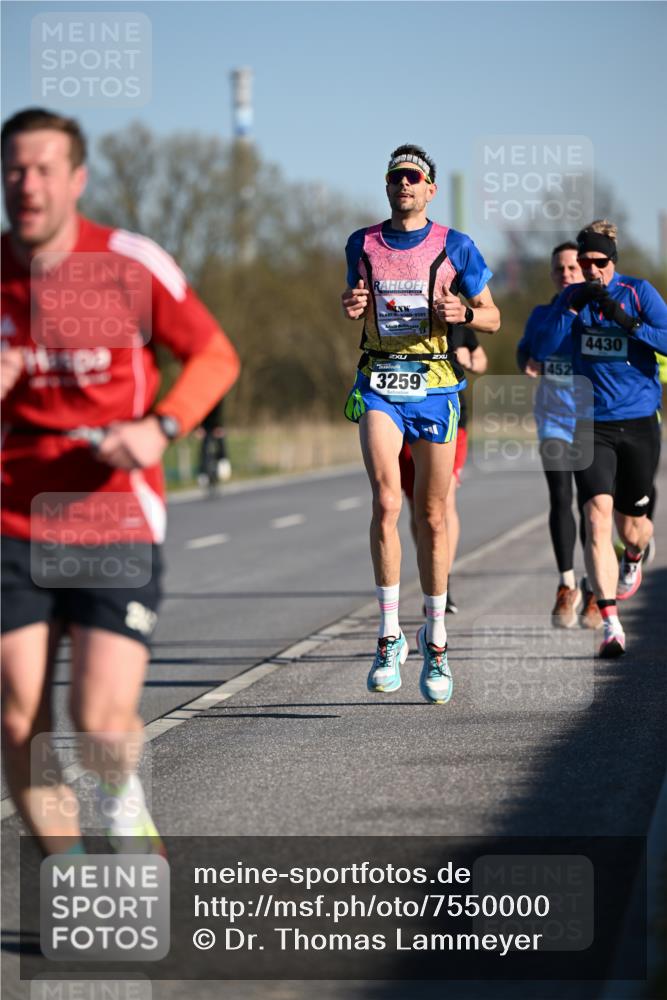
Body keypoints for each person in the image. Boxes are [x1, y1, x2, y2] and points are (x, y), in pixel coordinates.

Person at [0, 108, 240, 854]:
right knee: (17, 717)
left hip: (112, 514)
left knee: (99, 724)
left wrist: (160, 427)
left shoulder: (127, 262)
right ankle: (74, 877)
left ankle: (123, 808)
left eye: (43, 170)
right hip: (13, 517)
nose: (26, 185)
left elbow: (214, 356)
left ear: (77, 179)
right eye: (14, 170)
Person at [342, 144, 499, 703]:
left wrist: (466, 313)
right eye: (396, 177)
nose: (404, 184)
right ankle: (388, 636)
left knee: (432, 516)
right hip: (380, 381)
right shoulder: (362, 243)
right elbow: (355, 298)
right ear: (387, 187)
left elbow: (493, 316)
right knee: (387, 502)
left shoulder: (457, 245)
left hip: (435, 387)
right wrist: (351, 303)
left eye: (413, 177)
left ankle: (435, 641)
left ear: (430, 189)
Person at [531, 219, 667, 657]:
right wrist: (570, 311)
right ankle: (610, 623)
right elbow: (541, 349)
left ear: (613, 260)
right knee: (595, 518)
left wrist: (628, 322)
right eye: (585, 262)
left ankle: (634, 557)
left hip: (639, 421)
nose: (592, 269)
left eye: (599, 262)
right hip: (589, 424)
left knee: (633, 528)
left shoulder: (638, 292)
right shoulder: (572, 298)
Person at [517, 242, 601, 629]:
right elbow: (526, 351)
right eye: (559, 269)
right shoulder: (542, 314)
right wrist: (527, 362)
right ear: (552, 275)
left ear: (584, 271)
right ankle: (566, 584)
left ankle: (594, 585)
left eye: (572, 268)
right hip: (552, 419)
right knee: (560, 496)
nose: (565, 274)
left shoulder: (599, 310)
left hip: (592, 420)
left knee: (592, 505)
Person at [398, 327, 488, 614]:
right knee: (417, 505)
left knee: (444, 499)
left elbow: (481, 360)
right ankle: (431, 568)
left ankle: (442, 579)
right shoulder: (403, 317)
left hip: (449, 419)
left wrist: (467, 360)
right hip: (402, 415)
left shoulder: (456, 321)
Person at [196, 399, 232, 488]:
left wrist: (219, 426)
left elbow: (220, 411)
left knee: (221, 442)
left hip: (216, 424)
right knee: (204, 449)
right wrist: (198, 427)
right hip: (205, 426)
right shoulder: (200, 397)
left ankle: (224, 464)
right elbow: (198, 411)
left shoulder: (217, 397)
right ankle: (203, 473)